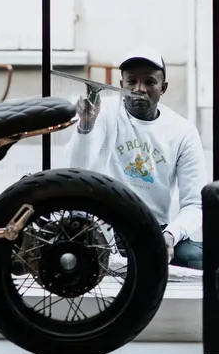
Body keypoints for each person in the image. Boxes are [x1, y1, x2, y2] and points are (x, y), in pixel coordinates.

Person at [68, 48, 205, 269]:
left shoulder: (183, 132)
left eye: (150, 82)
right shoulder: (103, 113)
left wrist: (170, 235)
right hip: (104, 227)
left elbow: (195, 204)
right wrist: (85, 127)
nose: (139, 89)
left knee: (203, 259)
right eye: (132, 81)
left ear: (163, 88)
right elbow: (76, 170)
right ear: (121, 84)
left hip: (153, 229)